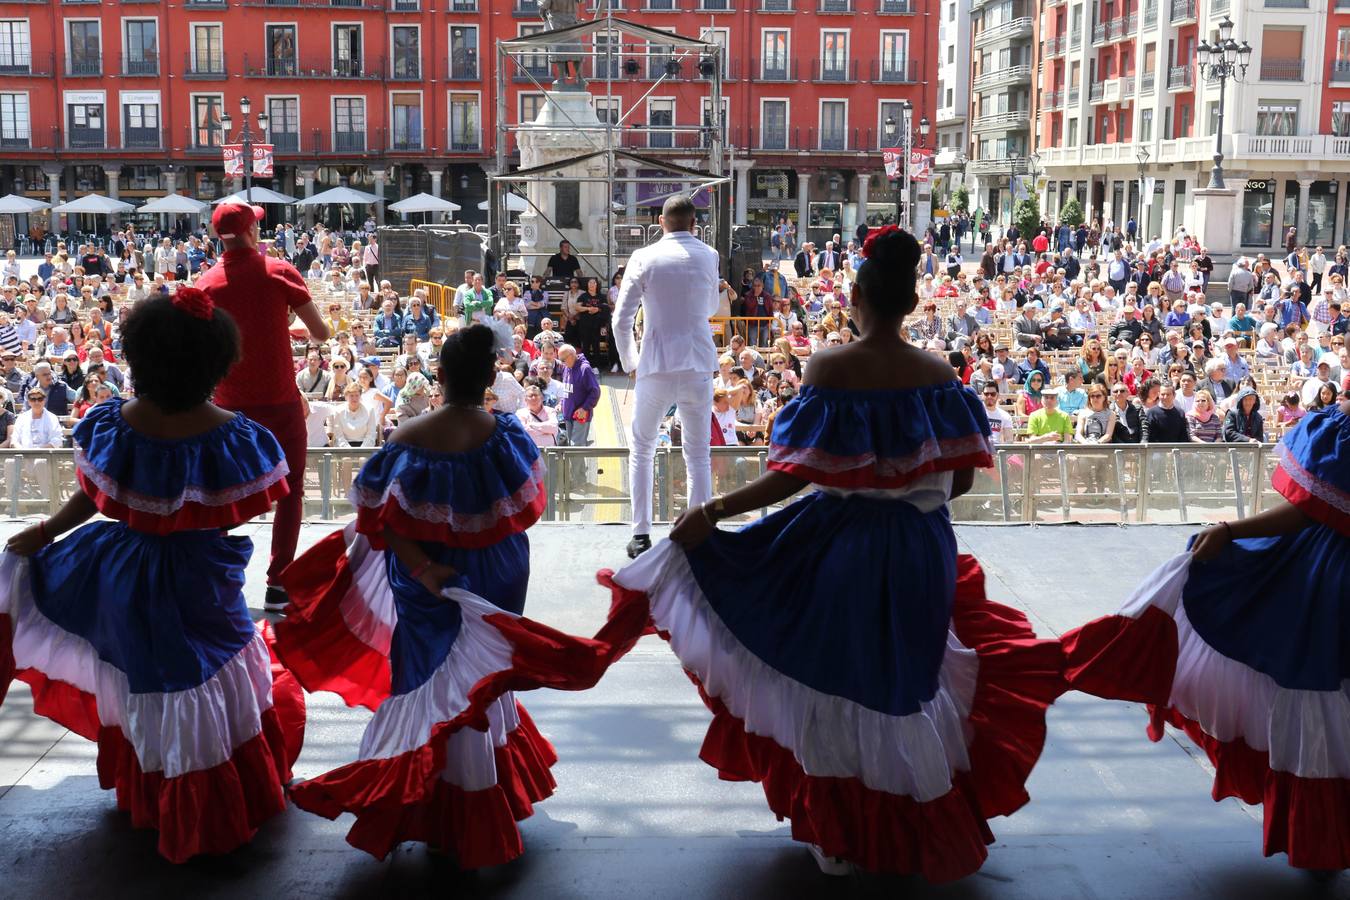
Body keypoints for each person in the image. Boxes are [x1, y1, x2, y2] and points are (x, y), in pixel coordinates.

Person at [597, 226, 1063, 880]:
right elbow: (958, 480)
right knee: (907, 685)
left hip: (843, 545)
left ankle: (840, 837)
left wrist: (711, 512)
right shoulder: (939, 376)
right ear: (907, 300)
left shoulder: (831, 369)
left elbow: (795, 474)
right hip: (922, 547)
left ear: (856, 298)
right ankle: (910, 830)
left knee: (836, 682)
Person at [273, 324, 628, 868]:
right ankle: (478, 793)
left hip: (428, 579)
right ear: (490, 378)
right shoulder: (508, 436)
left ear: (439, 374)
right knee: (481, 679)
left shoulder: (405, 439)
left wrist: (422, 568)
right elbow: (525, 506)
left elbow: (380, 517)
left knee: (429, 681)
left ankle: (433, 797)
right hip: (494, 573)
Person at [0, 291, 304, 862]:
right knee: (209, 676)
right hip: (201, 577)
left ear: (140, 357)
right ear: (216, 360)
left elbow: (90, 499)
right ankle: (216, 800)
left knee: (146, 681)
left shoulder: (114, 424)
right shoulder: (236, 435)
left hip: (124, 574)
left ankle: (155, 790)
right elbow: (242, 509)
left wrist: (43, 534)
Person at [1059, 397, 1350, 871]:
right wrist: (1230, 531)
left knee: (1317, 698)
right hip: (1324, 580)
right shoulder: (1341, 429)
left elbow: (1305, 512)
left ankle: (1320, 841)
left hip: (1325, 584)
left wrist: (1230, 530)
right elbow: (1308, 511)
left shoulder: (1342, 430)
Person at [193, 202, 331, 612]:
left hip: (229, 410)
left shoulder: (205, 284)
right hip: (281, 406)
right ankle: (278, 583)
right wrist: (285, 321)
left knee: (224, 492)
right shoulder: (279, 271)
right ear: (253, 231)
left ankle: (206, 570)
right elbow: (321, 334)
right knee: (289, 492)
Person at [612, 195, 720, 559]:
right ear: (695, 224)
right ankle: (699, 528)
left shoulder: (643, 257)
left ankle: (640, 533)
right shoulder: (709, 255)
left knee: (642, 448)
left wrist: (630, 362)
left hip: (655, 364)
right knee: (698, 454)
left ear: (660, 221)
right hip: (698, 363)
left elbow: (621, 319)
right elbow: (710, 308)